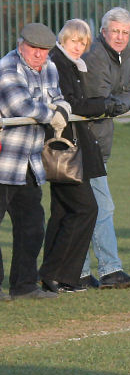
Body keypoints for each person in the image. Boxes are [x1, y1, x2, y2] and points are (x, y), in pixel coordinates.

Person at [0, 23, 71, 300]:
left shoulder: (50, 67)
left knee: (32, 225)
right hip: (4, 160)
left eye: (44, 50)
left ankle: (24, 285)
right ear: (21, 45)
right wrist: (53, 113)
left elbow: (58, 99)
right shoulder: (7, 67)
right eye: (34, 49)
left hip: (29, 161)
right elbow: (20, 107)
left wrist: (60, 107)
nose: (40, 55)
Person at [39, 19, 108, 293]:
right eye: (74, 41)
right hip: (64, 148)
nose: (78, 46)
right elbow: (71, 102)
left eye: (83, 42)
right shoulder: (59, 63)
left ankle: (54, 274)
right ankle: (61, 273)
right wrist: (104, 105)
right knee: (85, 208)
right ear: (63, 39)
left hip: (71, 147)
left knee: (62, 211)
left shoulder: (71, 64)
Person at [81, 7, 130, 289]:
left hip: (102, 139)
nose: (120, 37)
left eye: (125, 32)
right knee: (101, 207)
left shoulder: (125, 54)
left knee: (85, 208)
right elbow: (99, 98)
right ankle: (109, 270)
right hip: (86, 141)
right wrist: (116, 104)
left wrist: (119, 104)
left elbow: (129, 91)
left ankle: (79, 272)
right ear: (104, 31)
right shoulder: (96, 55)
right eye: (115, 31)